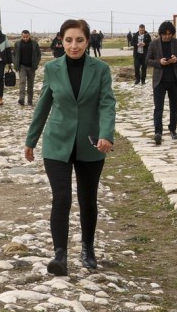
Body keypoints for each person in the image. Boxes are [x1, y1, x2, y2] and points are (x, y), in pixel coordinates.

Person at [25, 18, 116, 276]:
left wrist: (107, 134)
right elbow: (43, 104)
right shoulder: (53, 68)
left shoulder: (100, 69)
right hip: (57, 143)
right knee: (62, 198)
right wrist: (31, 139)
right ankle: (60, 255)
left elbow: (107, 104)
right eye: (68, 40)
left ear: (87, 41)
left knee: (88, 200)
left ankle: (88, 248)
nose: (73, 46)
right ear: (60, 41)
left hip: (90, 144)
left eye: (79, 40)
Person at [146, 21, 177, 144]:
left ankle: (173, 129)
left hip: (174, 80)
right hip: (159, 81)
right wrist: (159, 62)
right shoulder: (154, 44)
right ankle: (158, 132)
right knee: (158, 108)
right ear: (161, 33)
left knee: (174, 107)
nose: (167, 36)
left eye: (170, 34)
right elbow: (147, 60)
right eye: (165, 34)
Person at [15, 29, 42, 106]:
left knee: (30, 84)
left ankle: (30, 100)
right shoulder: (18, 44)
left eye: (27, 37)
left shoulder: (34, 44)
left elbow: (38, 54)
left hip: (31, 67)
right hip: (22, 66)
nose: (25, 38)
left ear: (29, 36)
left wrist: (36, 63)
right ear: (21, 36)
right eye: (24, 37)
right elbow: (14, 54)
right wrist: (16, 64)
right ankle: (21, 99)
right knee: (22, 82)